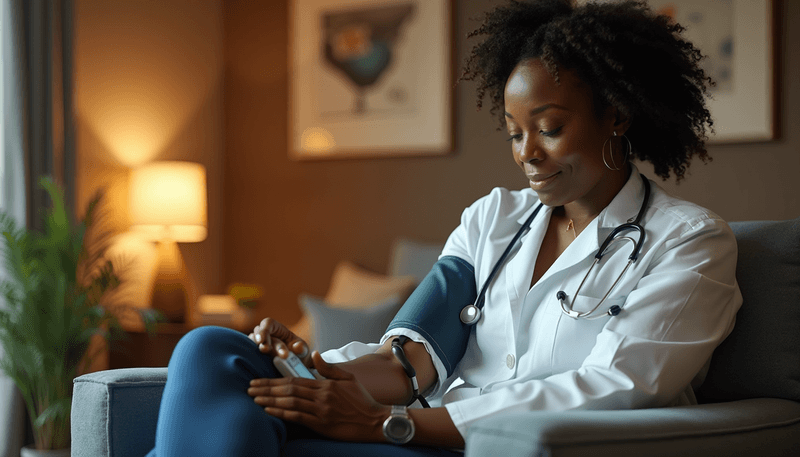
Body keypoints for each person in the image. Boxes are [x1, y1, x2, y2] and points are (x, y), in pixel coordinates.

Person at [144, 1, 742, 455]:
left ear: (618, 115)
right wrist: (320, 373)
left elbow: (617, 387)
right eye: (514, 133)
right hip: (399, 425)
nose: (527, 154)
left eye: (549, 128)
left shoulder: (689, 243)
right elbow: (409, 362)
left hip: (458, 442)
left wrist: (384, 423)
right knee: (210, 348)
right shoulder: (494, 219)